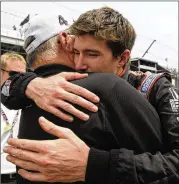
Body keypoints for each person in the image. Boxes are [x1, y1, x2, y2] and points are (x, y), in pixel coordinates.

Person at [2, 7, 179, 183]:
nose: (79, 64)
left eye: (91, 54)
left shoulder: (155, 88)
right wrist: (29, 85)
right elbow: (7, 88)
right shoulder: (53, 86)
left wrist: (94, 165)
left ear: (122, 59)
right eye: (76, 52)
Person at [1, 52, 26, 184]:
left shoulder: (29, 102)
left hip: (22, 175)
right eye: (13, 74)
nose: (19, 80)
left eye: (23, 76)